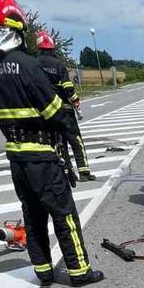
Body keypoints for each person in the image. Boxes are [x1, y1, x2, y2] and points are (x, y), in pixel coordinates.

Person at [0, 0, 102, 287]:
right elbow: (55, 111)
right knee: (64, 214)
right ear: (17, 29)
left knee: (32, 217)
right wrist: (67, 123)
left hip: (16, 155)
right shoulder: (27, 65)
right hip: (43, 156)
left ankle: (44, 271)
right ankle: (79, 271)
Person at [35, 30, 96, 181]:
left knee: (54, 142)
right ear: (52, 47)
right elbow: (67, 86)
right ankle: (84, 172)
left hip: (45, 111)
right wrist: (75, 99)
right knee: (75, 140)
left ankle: (66, 171)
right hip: (64, 110)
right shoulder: (58, 64)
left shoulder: (34, 65)